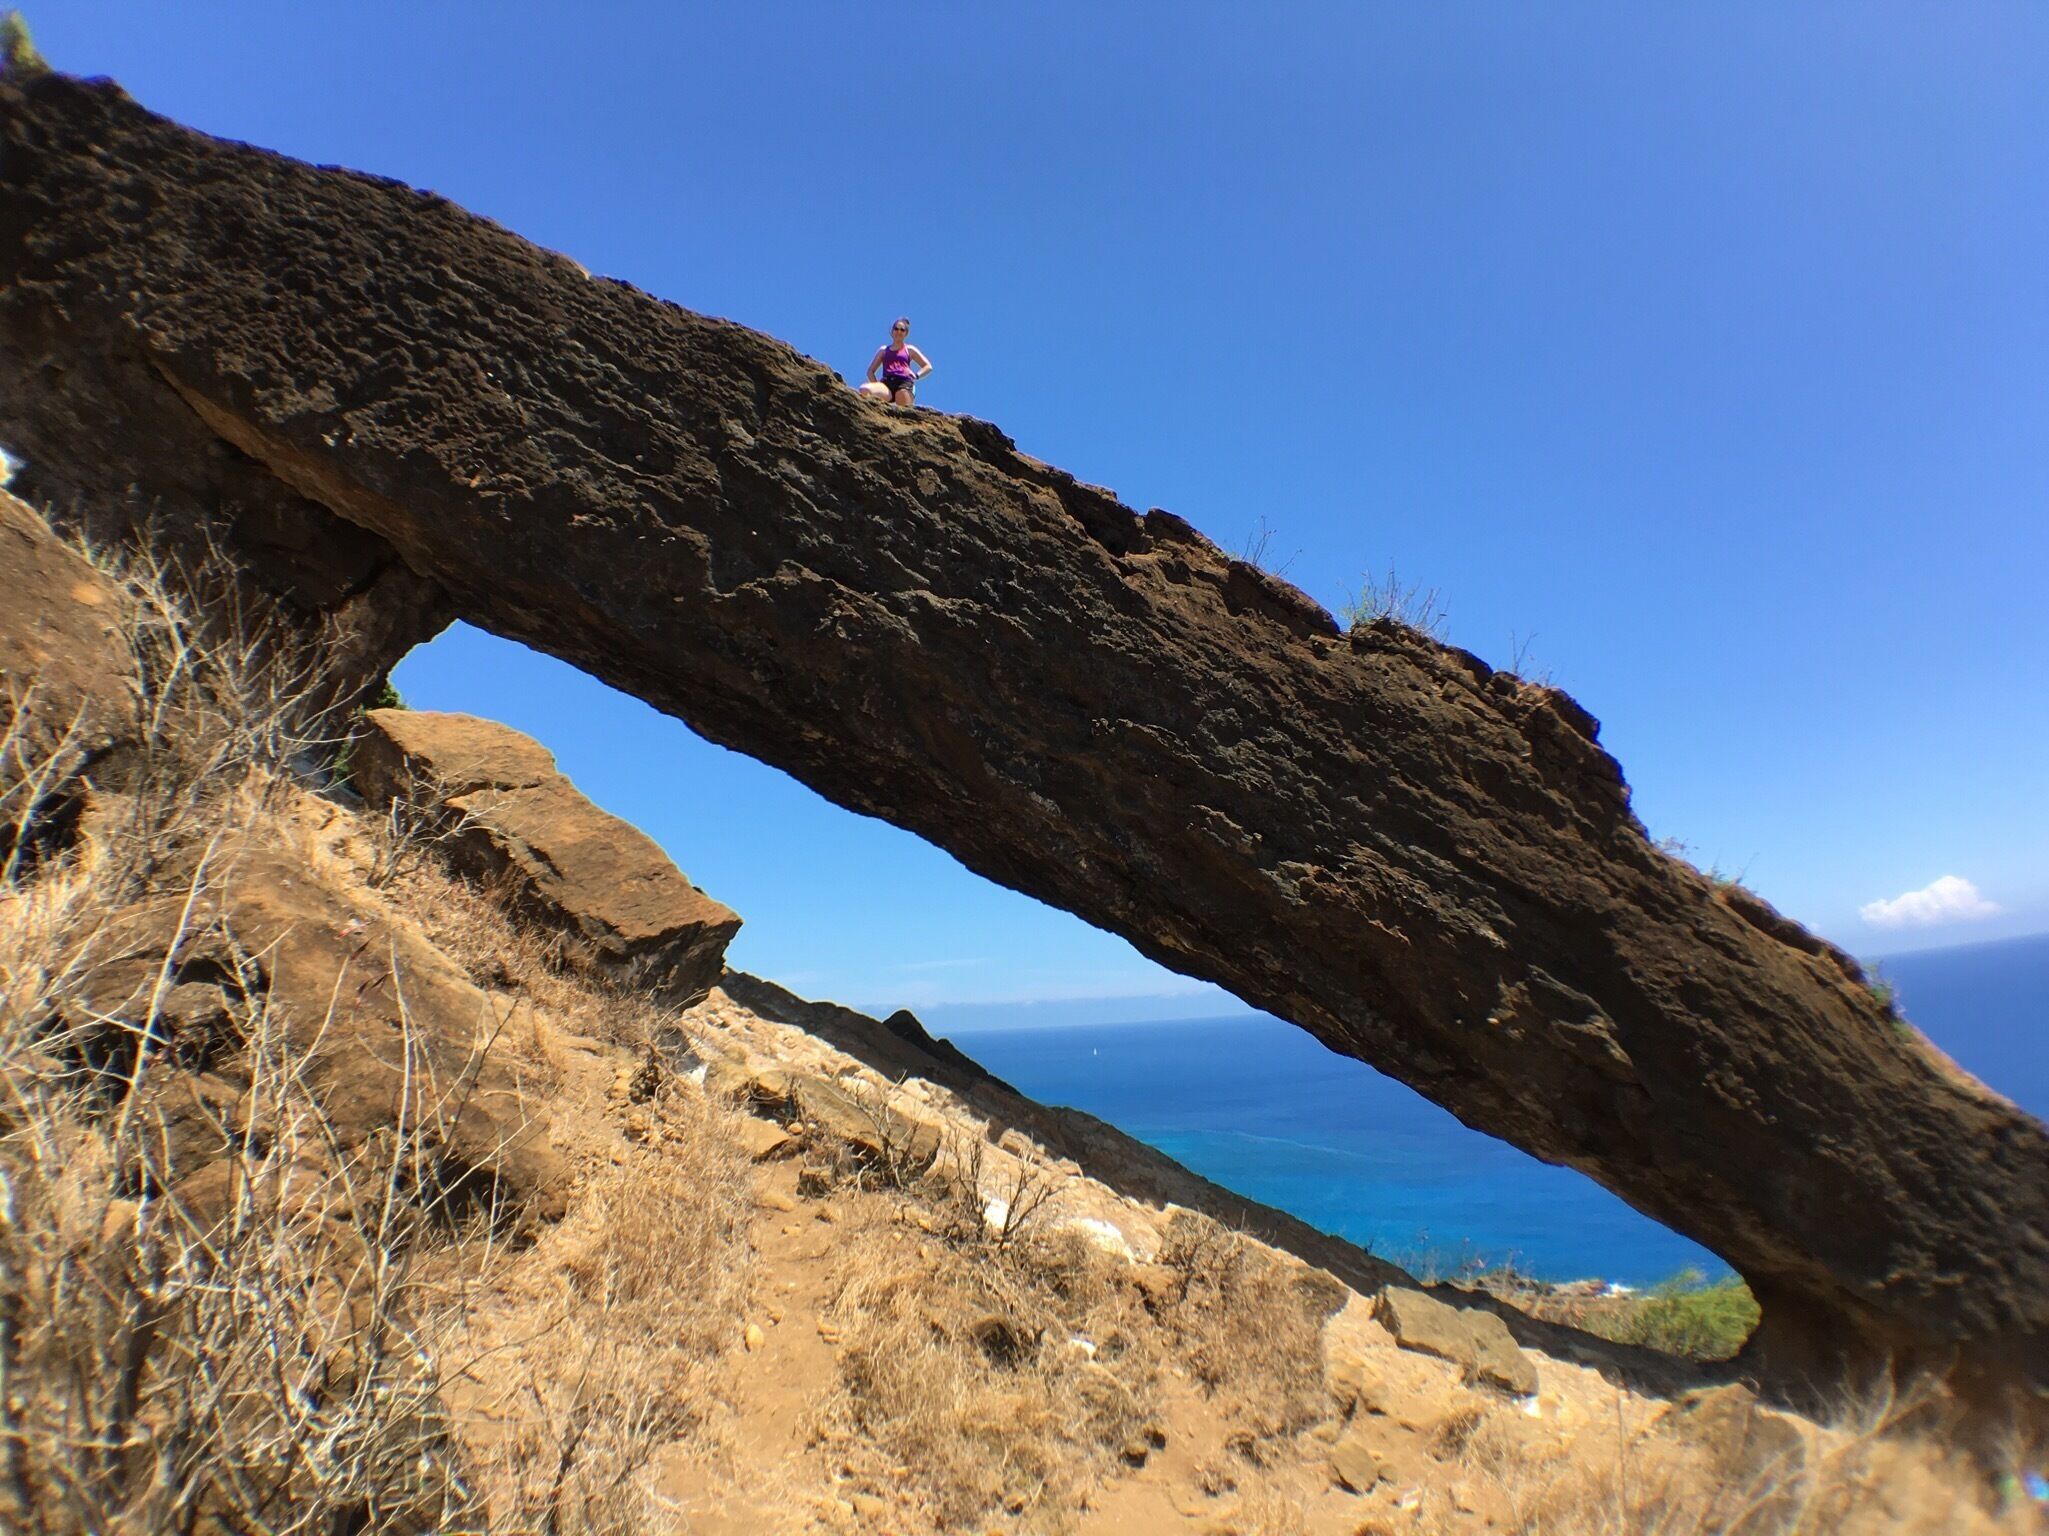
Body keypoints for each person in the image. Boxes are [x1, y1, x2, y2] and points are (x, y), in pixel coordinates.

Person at [860, 317, 932, 406]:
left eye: (902, 330)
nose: (899, 332)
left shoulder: (909, 349)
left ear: (906, 333)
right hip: (886, 383)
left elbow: (928, 366)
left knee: (903, 413)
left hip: (904, 383)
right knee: (864, 389)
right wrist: (877, 384)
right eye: (896, 329)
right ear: (892, 331)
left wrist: (917, 375)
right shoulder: (883, 350)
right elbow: (870, 371)